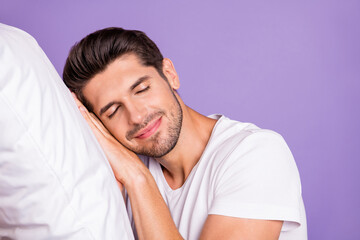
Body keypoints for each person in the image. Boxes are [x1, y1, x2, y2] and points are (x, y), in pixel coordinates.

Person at [63, 27, 307, 240]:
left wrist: (137, 178)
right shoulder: (116, 176)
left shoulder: (256, 153)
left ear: (169, 74)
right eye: (114, 111)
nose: (136, 116)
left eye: (141, 89)